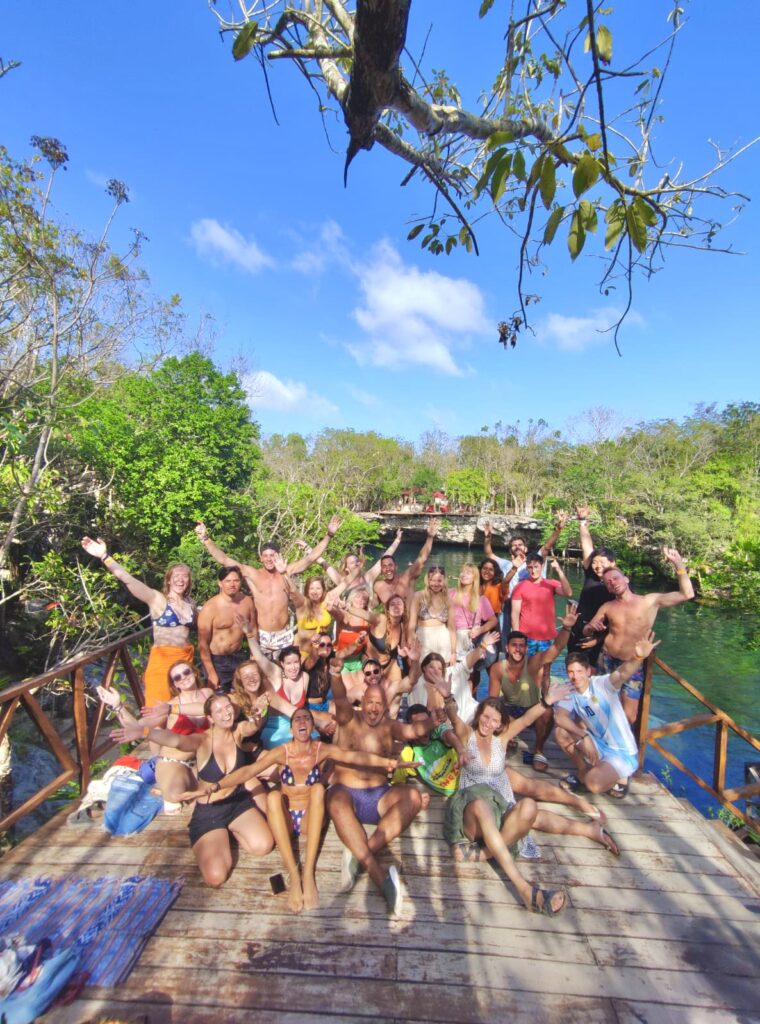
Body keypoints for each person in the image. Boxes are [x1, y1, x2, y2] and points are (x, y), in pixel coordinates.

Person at [179, 706, 401, 913]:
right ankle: (295, 877)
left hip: (310, 819)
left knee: (317, 790)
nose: (302, 721)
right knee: (274, 796)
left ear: (312, 727)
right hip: (287, 818)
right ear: (291, 727)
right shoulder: (282, 752)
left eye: (307, 718)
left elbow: (353, 756)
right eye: (297, 719)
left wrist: (387, 763)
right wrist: (213, 787)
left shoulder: (321, 749)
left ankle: (308, 873)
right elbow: (248, 772)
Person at [441, 691, 620, 917]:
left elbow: (526, 719)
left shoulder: (501, 741)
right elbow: (454, 719)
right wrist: (447, 697)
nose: (488, 723)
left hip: (499, 810)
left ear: (500, 725)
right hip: (473, 813)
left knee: (529, 807)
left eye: (494, 720)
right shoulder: (468, 735)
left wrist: (547, 701)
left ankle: (485, 853)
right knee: (481, 806)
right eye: (485, 717)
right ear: (478, 716)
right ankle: (525, 888)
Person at [111, 693, 273, 887]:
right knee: (216, 878)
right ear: (210, 718)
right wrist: (144, 732)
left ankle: (231, 832)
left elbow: (254, 725)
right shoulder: (202, 740)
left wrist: (259, 712)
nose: (226, 713)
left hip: (237, 801)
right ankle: (217, 836)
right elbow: (176, 741)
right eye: (219, 710)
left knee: (262, 846)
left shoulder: (238, 731)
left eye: (228, 707)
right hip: (210, 812)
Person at [326, 654, 434, 917]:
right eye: (370, 702)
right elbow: (340, 697)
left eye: (379, 704)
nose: (374, 708)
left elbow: (414, 733)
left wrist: (436, 719)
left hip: (379, 796)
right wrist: (335, 674)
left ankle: (358, 854)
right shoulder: (348, 719)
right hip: (347, 794)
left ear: (386, 707)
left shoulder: (390, 726)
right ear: (362, 703)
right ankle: (380, 878)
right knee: (334, 799)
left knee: (414, 798)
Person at [195, 515, 341, 658]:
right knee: (263, 679)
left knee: (285, 677)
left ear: (278, 555)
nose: (269, 559)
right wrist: (206, 539)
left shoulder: (287, 571)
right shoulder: (252, 574)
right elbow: (224, 559)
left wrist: (329, 535)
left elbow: (311, 557)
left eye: (272, 555)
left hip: (283, 635)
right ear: (261, 558)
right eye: (265, 555)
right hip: (262, 636)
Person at [81, 537, 196, 706]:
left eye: (184, 576)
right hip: (162, 663)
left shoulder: (190, 603)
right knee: (159, 709)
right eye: (176, 576)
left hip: (185, 662)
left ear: (189, 581)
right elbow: (127, 579)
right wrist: (104, 556)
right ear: (169, 580)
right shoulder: (158, 599)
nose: (180, 579)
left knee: (184, 706)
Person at [583, 548, 694, 723]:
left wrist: (678, 564)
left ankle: (624, 747)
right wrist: (590, 627)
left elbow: (687, 594)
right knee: (600, 703)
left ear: (626, 579)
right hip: (606, 659)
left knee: (629, 714)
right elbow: (587, 630)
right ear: (607, 588)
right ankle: (601, 740)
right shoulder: (607, 606)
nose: (612, 582)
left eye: (615, 578)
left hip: (632, 662)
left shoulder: (649, 601)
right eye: (608, 582)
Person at [553, 634, 660, 798]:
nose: (575, 676)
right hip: (598, 743)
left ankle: (620, 776)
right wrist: (583, 737)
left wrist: (638, 657)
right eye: (571, 672)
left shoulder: (602, 684)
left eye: (580, 671)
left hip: (622, 753)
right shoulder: (569, 689)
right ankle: (583, 772)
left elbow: (622, 673)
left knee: (593, 784)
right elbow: (559, 718)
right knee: (561, 732)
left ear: (589, 671)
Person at [97, 660, 214, 805]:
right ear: (175, 684)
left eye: (186, 672)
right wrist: (118, 706)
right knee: (178, 800)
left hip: (204, 756)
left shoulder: (207, 693)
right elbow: (137, 726)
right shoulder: (169, 706)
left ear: (195, 673)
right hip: (179, 761)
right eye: (177, 677)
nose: (183, 677)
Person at [488, 609, 578, 773]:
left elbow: (557, 647)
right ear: (507, 648)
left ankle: (539, 751)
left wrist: (566, 629)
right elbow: (492, 699)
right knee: (494, 708)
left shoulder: (534, 662)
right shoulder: (497, 668)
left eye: (522, 646)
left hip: (533, 708)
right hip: (510, 709)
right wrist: (500, 721)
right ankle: (510, 734)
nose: (518, 649)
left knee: (547, 711)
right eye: (514, 645)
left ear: (526, 648)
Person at [407, 631, 502, 725]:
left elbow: (466, 663)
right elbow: (410, 681)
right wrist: (415, 661)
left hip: (466, 718)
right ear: (424, 668)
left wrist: (483, 646)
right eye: (431, 667)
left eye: (439, 668)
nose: (436, 671)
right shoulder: (417, 684)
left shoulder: (450, 673)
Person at [511, 552, 572, 690]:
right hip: (527, 637)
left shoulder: (550, 584)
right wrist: (516, 636)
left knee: (545, 672)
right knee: (526, 670)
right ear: (527, 568)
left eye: (536, 567)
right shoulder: (520, 587)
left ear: (542, 566)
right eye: (530, 567)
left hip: (546, 637)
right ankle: (526, 700)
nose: (533, 570)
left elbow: (568, 592)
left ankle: (543, 700)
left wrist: (559, 571)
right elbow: (515, 613)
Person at [566, 504, 617, 664]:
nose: (597, 566)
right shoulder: (591, 575)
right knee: (574, 669)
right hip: (578, 632)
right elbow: (587, 547)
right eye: (595, 562)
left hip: (600, 639)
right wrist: (582, 522)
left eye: (602, 562)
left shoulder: (619, 586)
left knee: (595, 676)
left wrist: (597, 640)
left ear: (613, 563)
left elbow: (622, 618)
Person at [197, 566, 257, 692]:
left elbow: (253, 630)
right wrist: (211, 673)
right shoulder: (210, 608)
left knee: (245, 695)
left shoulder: (247, 602)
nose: (232, 584)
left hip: (239, 656)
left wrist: (254, 656)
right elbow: (203, 644)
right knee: (220, 698)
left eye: (236, 580)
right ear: (220, 583)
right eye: (228, 581)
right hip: (217, 660)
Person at [372, 518, 439, 606]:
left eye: (390, 565)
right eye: (384, 566)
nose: (387, 569)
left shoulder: (407, 578)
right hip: (390, 619)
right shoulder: (378, 586)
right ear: (381, 570)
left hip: (409, 618)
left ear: (396, 567)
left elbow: (422, 558)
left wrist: (430, 537)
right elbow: (372, 604)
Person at [408, 565, 456, 664]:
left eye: (439, 581)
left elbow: (452, 629)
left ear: (444, 581)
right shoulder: (419, 596)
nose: (436, 584)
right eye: (432, 580)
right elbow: (411, 626)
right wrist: (410, 647)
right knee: (420, 673)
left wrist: (453, 652)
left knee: (442, 673)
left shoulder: (448, 600)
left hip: (443, 638)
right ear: (428, 580)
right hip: (423, 637)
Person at [367, 593, 408, 685]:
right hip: (370, 663)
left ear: (404, 609)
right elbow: (365, 615)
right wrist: (347, 608)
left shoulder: (402, 625)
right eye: (392, 604)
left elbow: (402, 647)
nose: (396, 606)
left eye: (399, 604)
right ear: (388, 610)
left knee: (397, 688)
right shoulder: (381, 619)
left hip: (389, 663)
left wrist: (403, 653)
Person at [290, 576, 333, 654]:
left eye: (318, 588)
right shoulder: (302, 604)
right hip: (303, 653)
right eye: (311, 588)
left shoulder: (325, 604)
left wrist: (359, 568)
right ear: (307, 590)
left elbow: (343, 584)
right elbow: (293, 591)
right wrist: (284, 573)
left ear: (323, 590)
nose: (315, 591)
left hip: (322, 653)